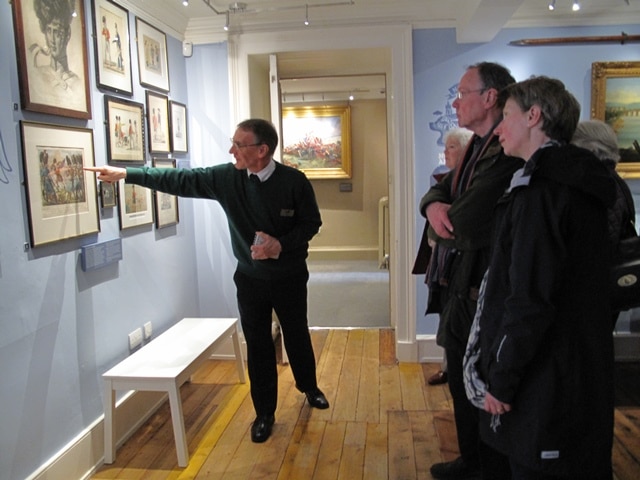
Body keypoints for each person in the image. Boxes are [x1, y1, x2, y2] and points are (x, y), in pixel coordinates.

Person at [86, 119, 330, 444]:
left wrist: (281, 244)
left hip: (289, 277)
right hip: (250, 280)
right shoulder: (226, 178)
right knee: (257, 345)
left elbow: (311, 223)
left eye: (238, 145)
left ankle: (308, 387)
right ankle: (265, 413)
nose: (232, 151)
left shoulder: (294, 182)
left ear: (262, 150)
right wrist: (127, 174)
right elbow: (181, 180)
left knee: (296, 333)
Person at [469, 76, 615, 479]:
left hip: (547, 379)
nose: (498, 128)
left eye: (508, 116)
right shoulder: (573, 181)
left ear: (534, 117)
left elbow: (529, 298)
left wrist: (502, 379)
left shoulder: (543, 192)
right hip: (574, 372)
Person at [421, 62, 524, 480]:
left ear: (490, 97)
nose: (455, 101)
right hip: (460, 286)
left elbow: (466, 221)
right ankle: (471, 461)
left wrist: (440, 224)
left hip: (483, 289)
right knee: (462, 383)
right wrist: (431, 206)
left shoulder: (502, 150)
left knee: (479, 384)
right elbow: (440, 188)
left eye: (463, 93)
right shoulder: (476, 146)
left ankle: (486, 468)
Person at [416, 128, 473, 387]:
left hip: (459, 262)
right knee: (446, 313)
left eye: (451, 147)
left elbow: (451, 225)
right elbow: (433, 210)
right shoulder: (447, 179)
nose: (445, 151)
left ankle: (459, 372)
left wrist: (437, 234)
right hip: (442, 261)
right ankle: (450, 368)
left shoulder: (471, 181)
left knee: (457, 317)